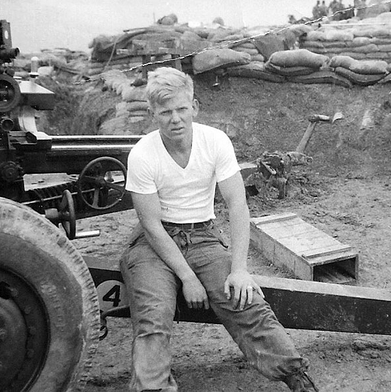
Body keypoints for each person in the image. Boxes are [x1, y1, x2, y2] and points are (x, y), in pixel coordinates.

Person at [120, 67, 319, 392]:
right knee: (153, 316)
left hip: (203, 237)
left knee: (245, 300)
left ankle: (294, 373)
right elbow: (151, 225)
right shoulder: (143, 154)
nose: (176, 119)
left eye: (182, 109)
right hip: (154, 245)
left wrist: (239, 269)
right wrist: (188, 278)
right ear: (152, 113)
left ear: (195, 107)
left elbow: (238, 206)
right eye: (166, 112)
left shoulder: (215, 142)